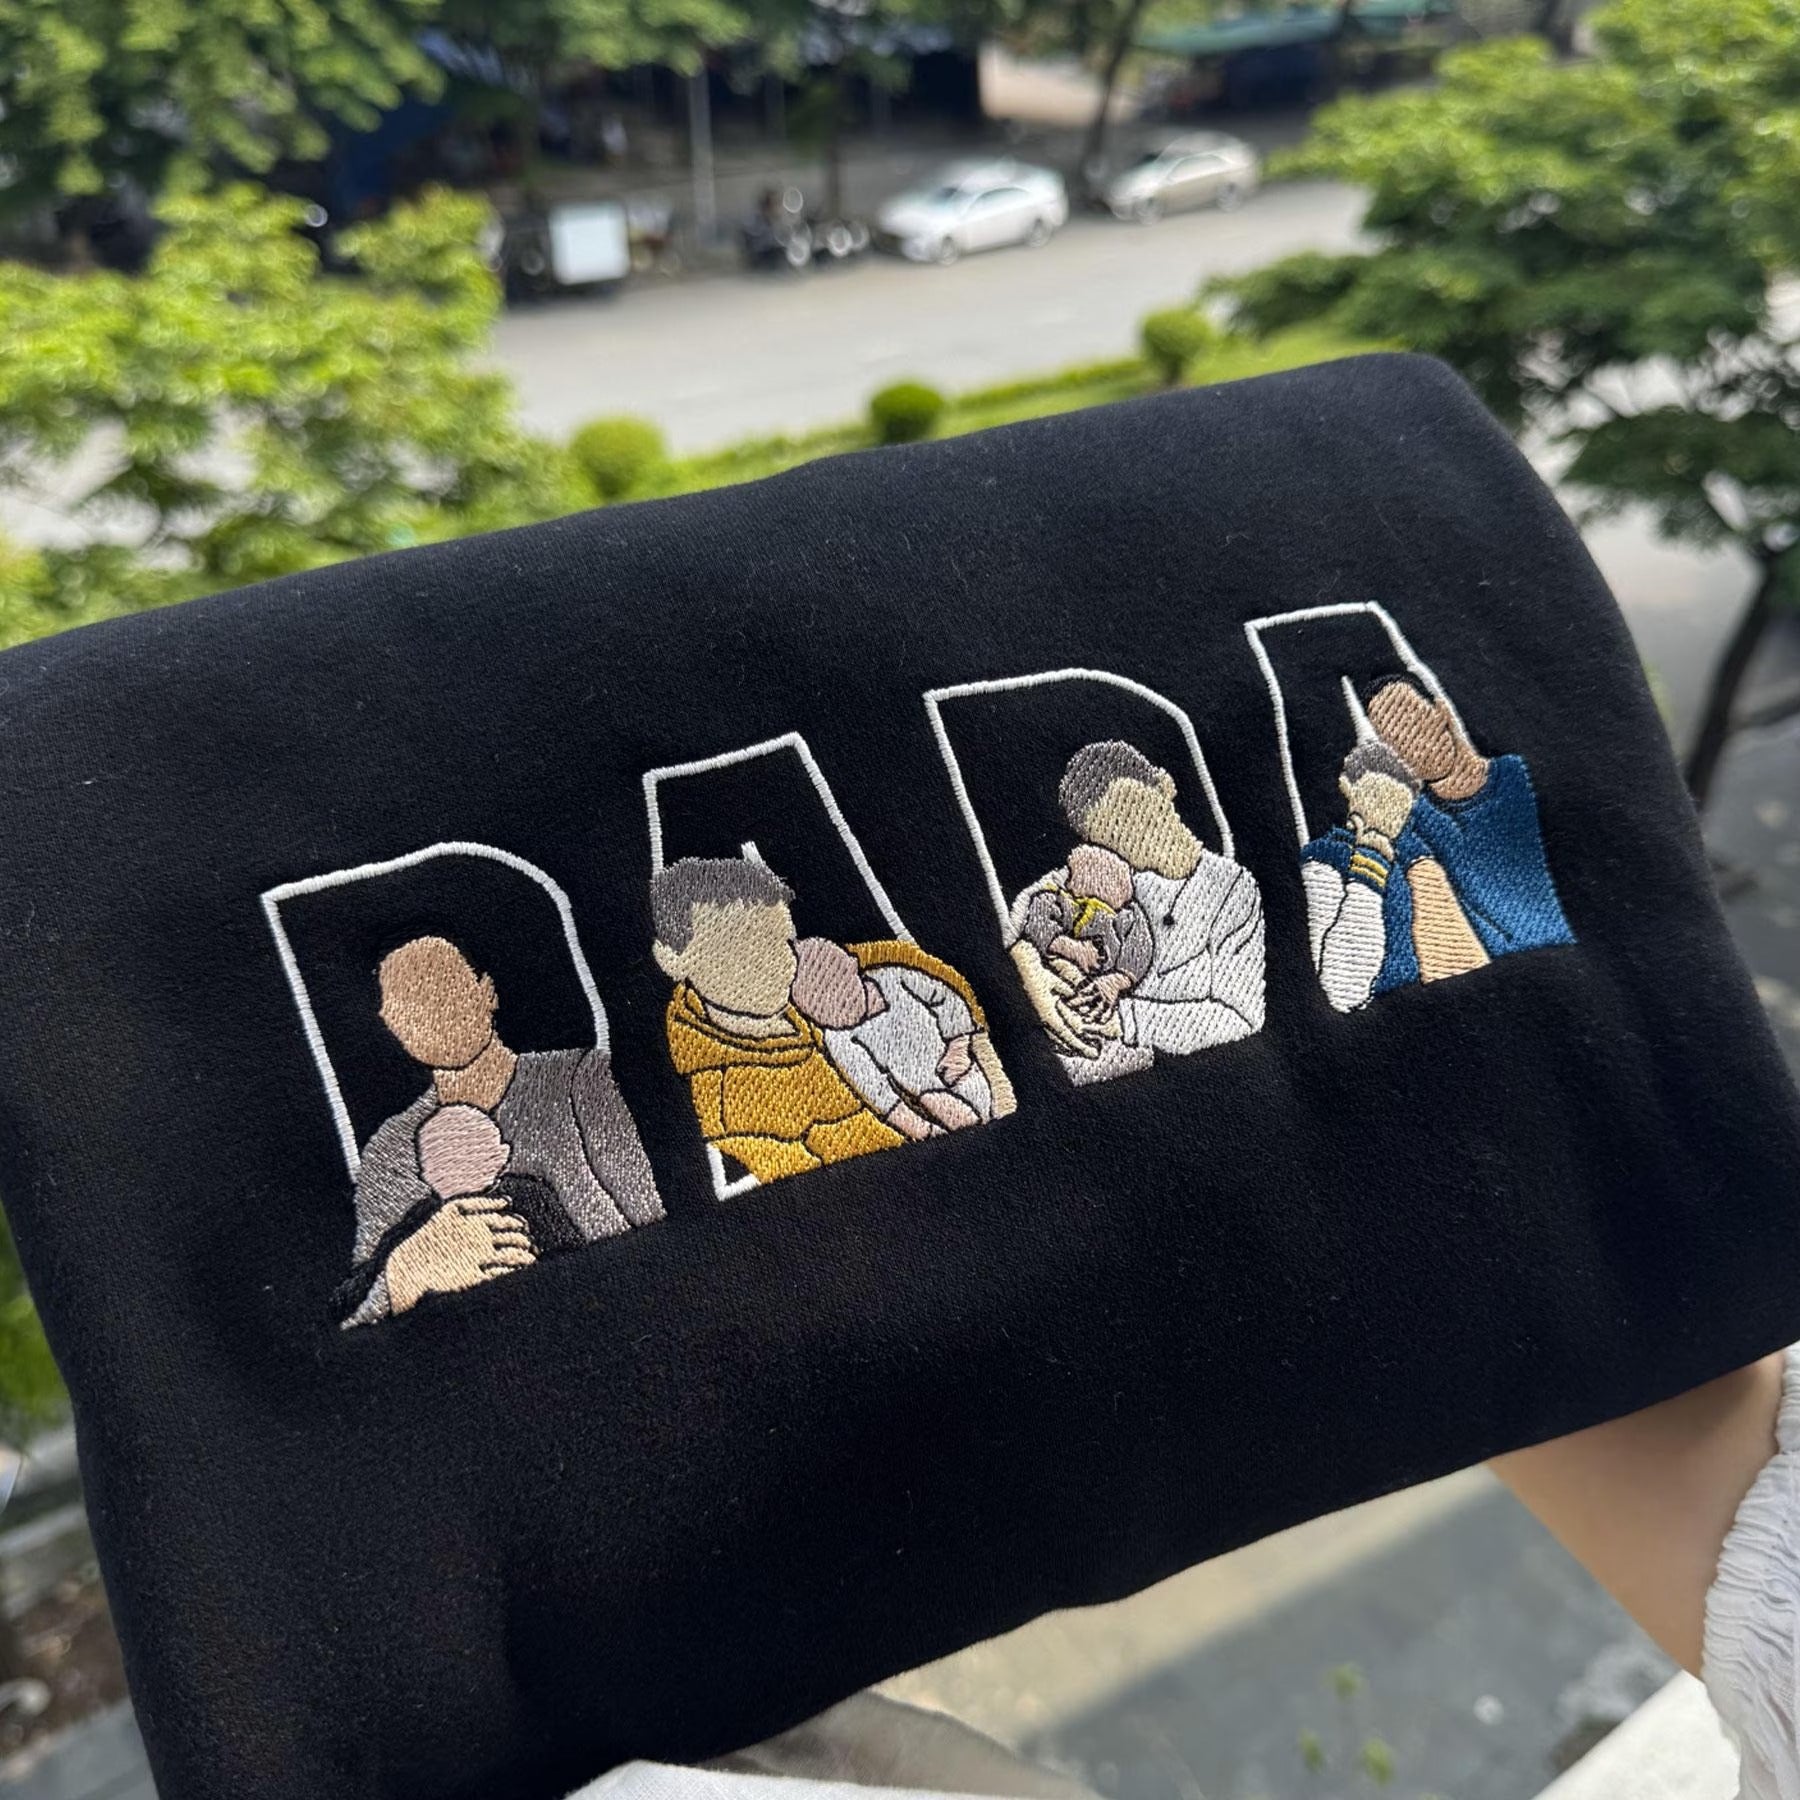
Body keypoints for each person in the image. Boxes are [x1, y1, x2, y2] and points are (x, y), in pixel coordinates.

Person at [340, 936, 663, 1328]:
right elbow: (356, 1307)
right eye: (407, 1008)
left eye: (448, 988)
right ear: (392, 1026)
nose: (434, 1013)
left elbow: (652, 1218)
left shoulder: (579, 1080)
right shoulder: (389, 1150)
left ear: (486, 991)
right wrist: (408, 1272)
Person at [1009, 741, 1265, 1083]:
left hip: (1196, 1077)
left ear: (1164, 786)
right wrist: (1025, 960)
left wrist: (1124, 1019)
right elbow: (1037, 903)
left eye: (1134, 813)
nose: (1133, 840)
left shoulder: (1232, 888)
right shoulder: (1112, 875)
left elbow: (1241, 1016)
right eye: (1111, 836)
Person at [650, 858, 907, 1183]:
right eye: (741, 950)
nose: (778, 964)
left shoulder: (805, 995)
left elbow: (892, 959)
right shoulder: (730, 1096)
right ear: (672, 960)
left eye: (783, 943)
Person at [788, 935, 1012, 1137]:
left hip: (957, 1060)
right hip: (926, 1089)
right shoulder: (838, 1039)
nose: (839, 1012)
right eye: (822, 1014)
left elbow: (946, 999)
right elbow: (876, 1091)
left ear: (853, 965)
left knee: (981, 1092)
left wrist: (958, 1046)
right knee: (938, 1103)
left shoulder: (894, 977)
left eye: (840, 993)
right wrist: (924, 1130)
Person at [1019, 843, 1154, 1024]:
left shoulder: (1127, 917)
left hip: (1099, 996)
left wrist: (1116, 980)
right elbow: (1038, 922)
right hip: (1050, 976)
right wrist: (1070, 947)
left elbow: (1139, 948)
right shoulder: (1061, 900)